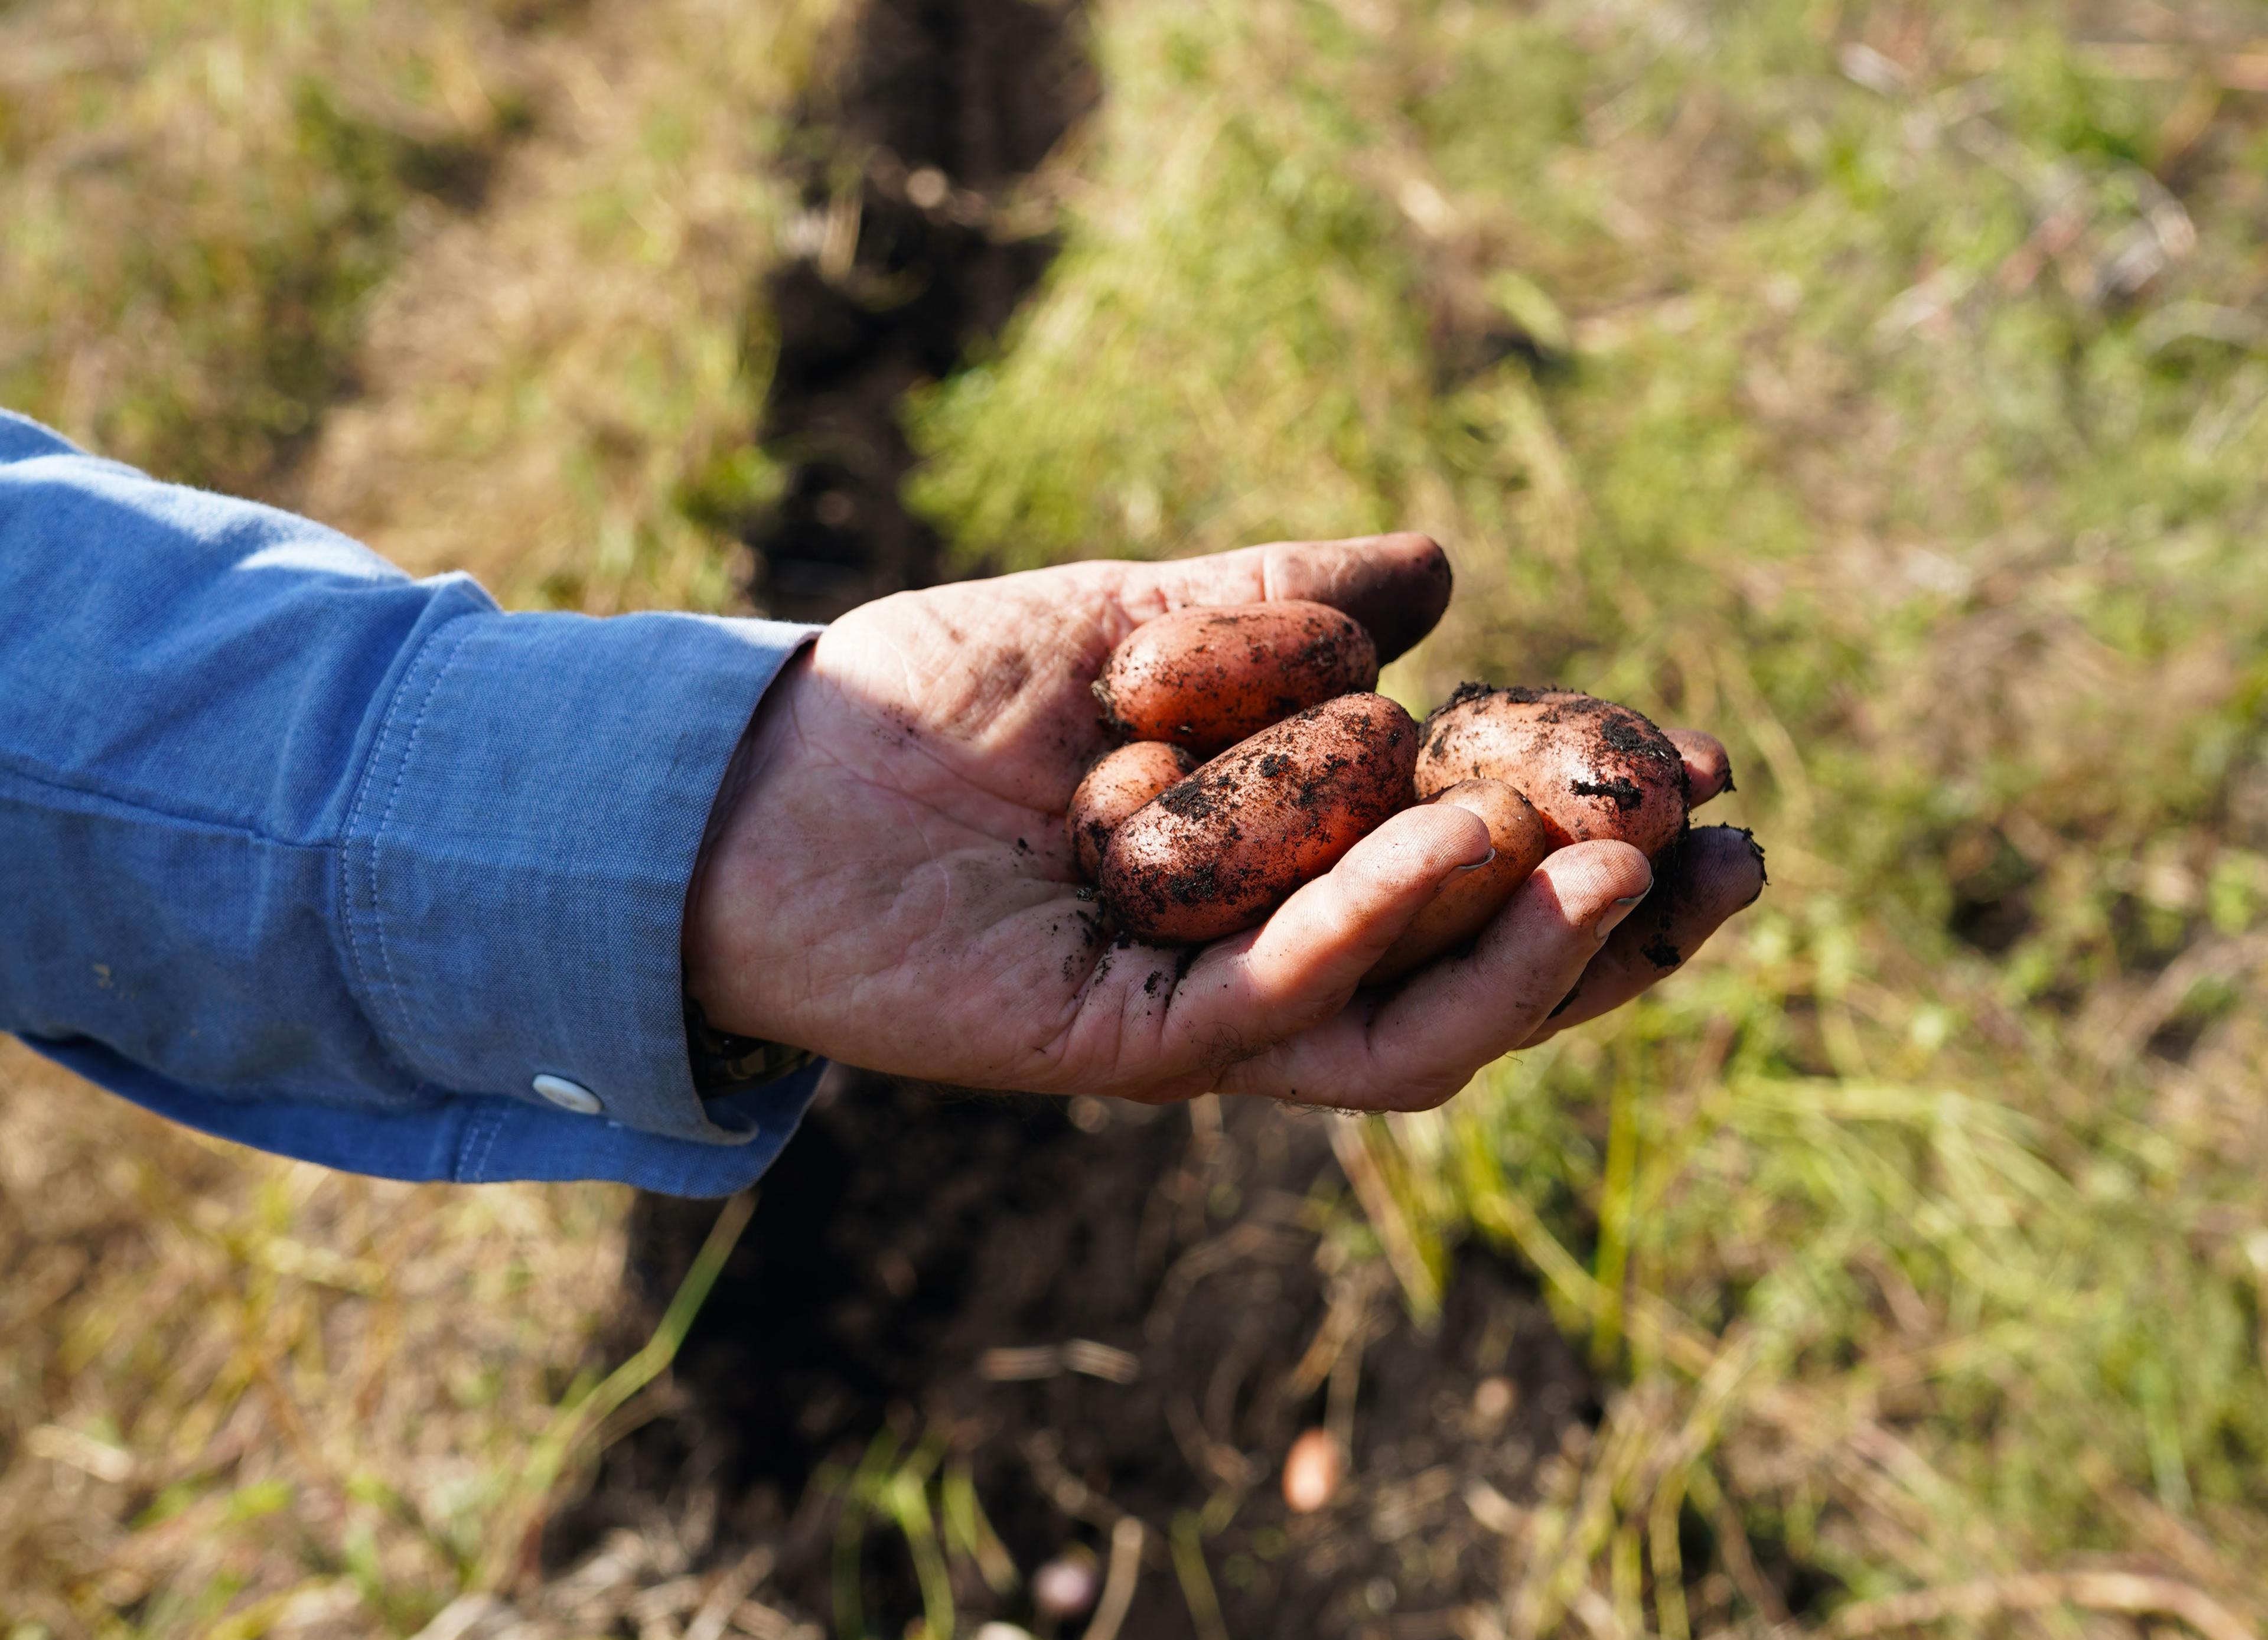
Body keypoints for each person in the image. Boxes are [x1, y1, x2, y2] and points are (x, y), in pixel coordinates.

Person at [0, 409, 1763, 1196]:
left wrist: (715, 804)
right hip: (1198, 824)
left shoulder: (1343, 740)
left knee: (1255, 804)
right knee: (1197, 813)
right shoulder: (1221, 760)